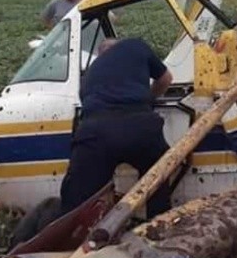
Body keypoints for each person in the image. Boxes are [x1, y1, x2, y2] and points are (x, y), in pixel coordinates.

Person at [59, 38, 174, 219]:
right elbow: (166, 79)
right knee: (157, 180)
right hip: (141, 126)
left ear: (100, 55)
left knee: (77, 200)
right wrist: (147, 101)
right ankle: (158, 227)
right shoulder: (136, 46)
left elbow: (88, 108)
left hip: (96, 132)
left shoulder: (89, 76)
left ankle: (71, 237)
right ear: (118, 46)